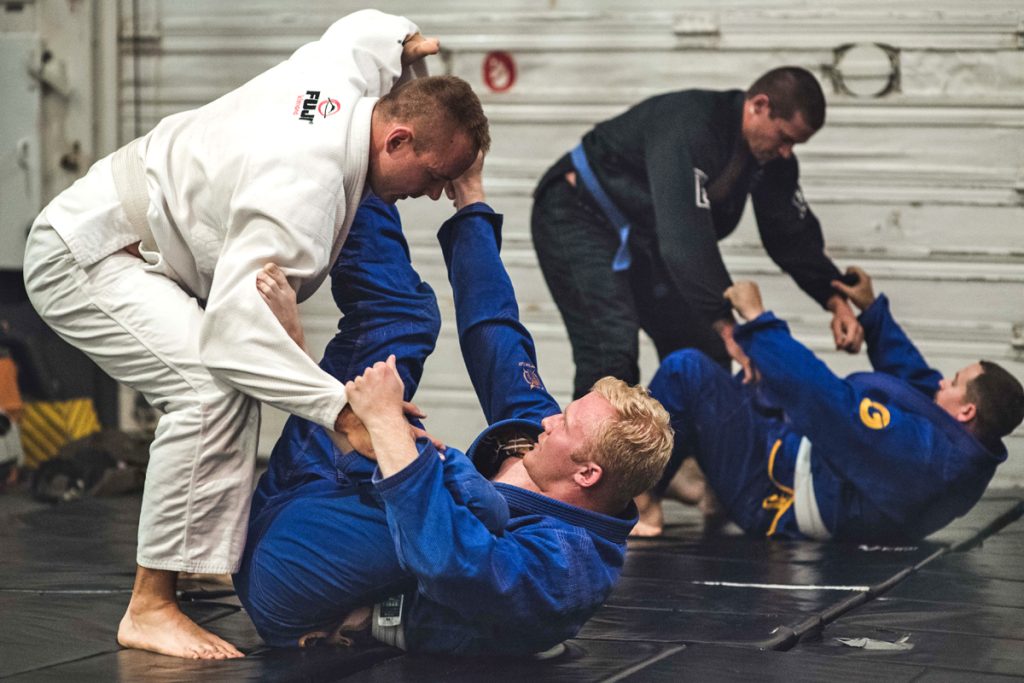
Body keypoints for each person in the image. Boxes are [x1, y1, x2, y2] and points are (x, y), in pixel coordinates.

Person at [21, 10, 489, 659]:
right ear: (398, 140)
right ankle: (149, 606)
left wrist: (408, 46)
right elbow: (235, 337)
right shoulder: (306, 187)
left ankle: (192, 554)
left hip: (139, 239)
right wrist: (341, 412)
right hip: (88, 255)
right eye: (436, 176)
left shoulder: (352, 79)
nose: (437, 193)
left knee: (228, 382)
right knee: (209, 386)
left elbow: (364, 29)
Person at [233, 158, 673, 655]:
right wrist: (470, 196)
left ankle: (300, 366)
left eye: (566, 423)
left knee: (466, 501)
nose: (549, 419)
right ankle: (355, 161)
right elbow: (497, 336)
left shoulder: (567, 570)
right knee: (403, 318)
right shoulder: (545, 448)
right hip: (319, 488)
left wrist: (386, 425)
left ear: (588, 473)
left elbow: (449, 560)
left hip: (291, 577)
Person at [531, 66, 863, 397]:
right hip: (578, 212)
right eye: (785, 138)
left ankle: (684, 449)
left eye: (796, 144)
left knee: (705, 350)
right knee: (610, 355)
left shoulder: (771, 157)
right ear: (759, 105)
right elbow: (684, 241)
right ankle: (583, 449)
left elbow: (790, 235)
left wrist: (835, 301)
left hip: (645, 234)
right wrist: (726, 323)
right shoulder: (693, 125)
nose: (787, 152)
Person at [638, 268, 1024, 543]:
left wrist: (758, 320)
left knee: (685, 370)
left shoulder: (924, 458)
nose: (943, 381)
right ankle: (702, 487)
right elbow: (916, 379)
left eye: (955, 382)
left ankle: (642, 502)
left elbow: (826, 401)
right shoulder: (958, 446)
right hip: (789, 455)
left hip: (770, 492)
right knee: (747, 378)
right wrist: (872, 312)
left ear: (967, 412)